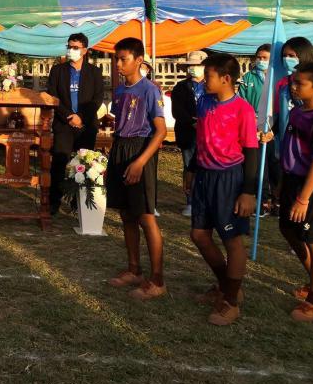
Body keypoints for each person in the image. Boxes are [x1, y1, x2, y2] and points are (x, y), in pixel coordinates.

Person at [184, 54, 258, 326]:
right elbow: (201, 138)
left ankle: (231, 302)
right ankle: (227, 286)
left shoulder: (242, 109)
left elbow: (251, 150)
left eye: (209, 76)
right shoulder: (204, 101)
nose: (204, 80)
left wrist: (248, 191)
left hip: (229, 179)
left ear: (226, 79)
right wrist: (191, 168)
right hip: (204, 176)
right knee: (199, 235)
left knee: (232, 240)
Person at [105, 37, 168, 300]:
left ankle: (158, 279)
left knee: (145, 216)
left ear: (139, 60)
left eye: (123, 59)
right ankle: (134, 269)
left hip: (140, 150)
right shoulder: (119, 91)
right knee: (126, 214)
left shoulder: (150, 90)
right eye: (116, 59)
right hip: (120, 148)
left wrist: (140, 162)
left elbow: (161, 131)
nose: (118, 64)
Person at [276, 61, 313, 322]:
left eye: (300, 83)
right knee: (288, 229)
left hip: (311, 186)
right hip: (291, 180)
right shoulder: (296, 113)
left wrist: (304, 198)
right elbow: (289, 149)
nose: (294, 87)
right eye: (293, 82)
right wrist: (282, 182)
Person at [46, 33, 104, 215]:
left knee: (84, 164)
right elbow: (52, 96)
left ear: (84, 50)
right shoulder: (58, 71)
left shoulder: (94, 72)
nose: (71, 50)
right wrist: (69, 116)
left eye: (76, 47)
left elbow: (97, 99)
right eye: (69, 46)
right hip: (64, 124)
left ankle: (79, 204)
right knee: (59, 162)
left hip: (86, 125)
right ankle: (53, 202)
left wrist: (81, 117)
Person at [238, 44, 277, 212]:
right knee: (259, 164)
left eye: (265, 58)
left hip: (275, 127)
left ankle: (276, 200)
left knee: (275, 163)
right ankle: (261, 199)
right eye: (259, 57)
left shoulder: (278, 78)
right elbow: (242, 101)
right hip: (254, 128)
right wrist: (253, 121)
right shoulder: (248, 77)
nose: (261, 61)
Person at [171, 51, 207, 217]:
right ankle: (190, 201)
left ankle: (204, 200)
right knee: (188, 166)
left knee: (206, 166)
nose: (193, 68)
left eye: (197, 65)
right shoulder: (180, 87)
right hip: (187, 132)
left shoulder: (211, 86)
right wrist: (192, 122)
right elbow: (177, 110)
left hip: (208, 133)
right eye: (190, 65)